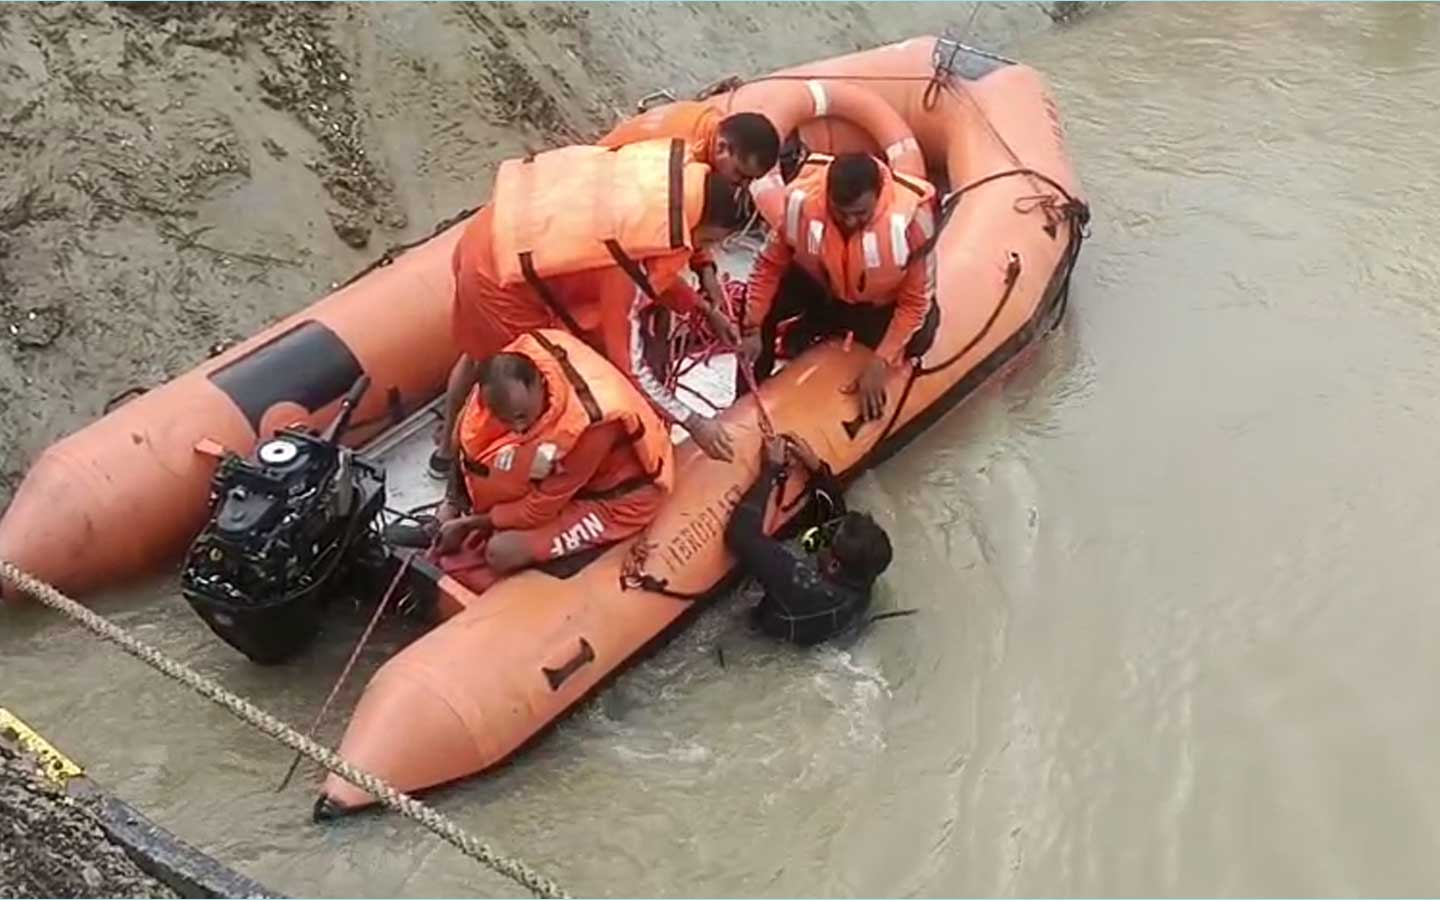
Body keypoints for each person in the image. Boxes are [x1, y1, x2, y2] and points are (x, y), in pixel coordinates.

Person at [433, 139, 749, 477]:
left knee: (475, 358)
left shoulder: (655, 196)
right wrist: (695, 422)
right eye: (710, 241)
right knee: (517, 384)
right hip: (502, 288)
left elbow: (657, 268)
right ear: (700, 225)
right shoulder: (627, 258)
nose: (706, 249)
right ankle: (471, 469)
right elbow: (629, 365)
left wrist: (701, 308)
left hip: (488, 239)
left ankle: (445, 451)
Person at [412, 328, 675, 597]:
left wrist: (472, 524)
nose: (517, 428)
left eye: (521, 416)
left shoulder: (592, 425)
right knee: (499, 520)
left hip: (620, 499)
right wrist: (455, 502)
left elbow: (538, 511)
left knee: (501, 551)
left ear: (538, 382)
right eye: (507, 420)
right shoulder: (516, 381)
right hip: (570, 483)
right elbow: (468, 439)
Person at [739, 152, 942, 423]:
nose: (849, 222)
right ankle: (743, 402)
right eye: (840, 213)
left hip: (878, 307)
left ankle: (817, 331)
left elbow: (915, 302)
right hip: (827, 292)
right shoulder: (801, 205)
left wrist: (881, 361)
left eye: (860, 214)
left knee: (921, 336)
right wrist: (753, 325)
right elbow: (768, 265)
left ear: (879, 196)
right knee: (759, 304)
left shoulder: (914, 223)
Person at [598, 105, 781, 330]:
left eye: (750, 181)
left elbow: (691, 218)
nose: (741, 187)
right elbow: (654, 262)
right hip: (605, 203)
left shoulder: (714, 132)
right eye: (740, 175)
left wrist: (706, 271)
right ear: (723, 148)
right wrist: (700, 306)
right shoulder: (681, 161)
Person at [724, 432, 894, 646]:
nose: (826, 531)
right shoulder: (862, 578)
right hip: (825, 633)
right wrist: (818, 472)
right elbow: (838, 518)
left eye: (829, 537)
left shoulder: (801, 583)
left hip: (758, 642)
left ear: (833, 565)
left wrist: (771, 471)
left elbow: (741, 534)